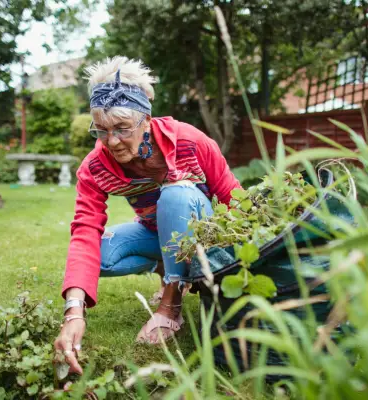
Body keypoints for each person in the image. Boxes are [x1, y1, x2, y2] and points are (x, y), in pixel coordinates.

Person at [53, 56, 240, 374]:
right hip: (154, 231)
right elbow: (85, 229)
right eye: (101, 131)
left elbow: (233, 198)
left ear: (146, 120)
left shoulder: (191, 142)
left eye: (122, 129)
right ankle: (166, 266)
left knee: (176, 192)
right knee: (96, 258)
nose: (112, 141)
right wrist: (74, 311)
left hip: (206, 240)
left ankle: (172, 303)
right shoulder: (95, 167)